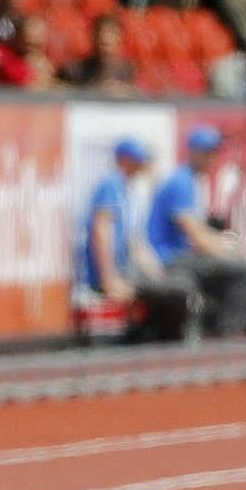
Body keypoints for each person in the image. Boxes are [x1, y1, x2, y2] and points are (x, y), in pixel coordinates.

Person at [79, 138, 196, 342]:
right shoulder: (111, 184)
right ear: (124, 160)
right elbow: (101, 231)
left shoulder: (126, 189)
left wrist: (156, 272)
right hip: (113, 276)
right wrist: (109, 280)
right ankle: (171, 346)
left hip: (127, 271)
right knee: (180, 288)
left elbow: (135, 241)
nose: (141, 165)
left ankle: (158, 341)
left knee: (177, 284)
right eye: (137, 160)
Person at [146, 125, 246, 337]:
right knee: (241, 268)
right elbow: (195, 235)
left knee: (231, 263)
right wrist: (226, 252)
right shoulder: (182, 182)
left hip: (179, 255)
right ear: (193, 152)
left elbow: (200, 232)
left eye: (214, 153)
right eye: (207, 153)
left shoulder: (190, 181)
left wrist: (222, 244)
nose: (212, 159)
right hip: (168, 257)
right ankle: (229, 331)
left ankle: (216, 326)